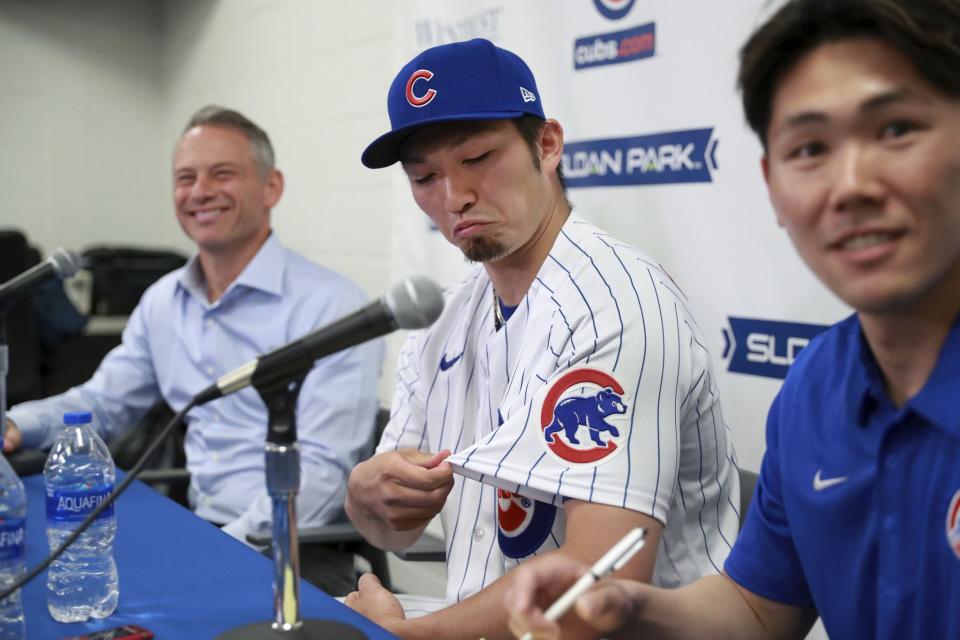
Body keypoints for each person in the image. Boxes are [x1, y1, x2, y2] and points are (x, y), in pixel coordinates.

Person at [505, 1, 960, 638]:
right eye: (810, 148)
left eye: (896, 130)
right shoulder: (817, 386)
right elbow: (757, 609)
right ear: (771, 186)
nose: (852, 184)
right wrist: (627, 607)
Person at [342, 38, 739, 639]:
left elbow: (598, 584)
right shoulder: (445, 317)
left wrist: (403, 635)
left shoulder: (617, 303)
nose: (453, 198)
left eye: (476, 158)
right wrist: (365, 498)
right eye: (424, 176)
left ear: (546, 146)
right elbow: (391, 531)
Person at [3, 106, 384, 595]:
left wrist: (218, 550)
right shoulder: (164, 301)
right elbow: (102, 405)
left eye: (222, 173)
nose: (200, 192)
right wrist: (16, 425)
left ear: (272, 187)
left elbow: (323, 474)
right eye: (185, 178)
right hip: (198, 530)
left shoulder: (333, 307)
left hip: (295, 554)